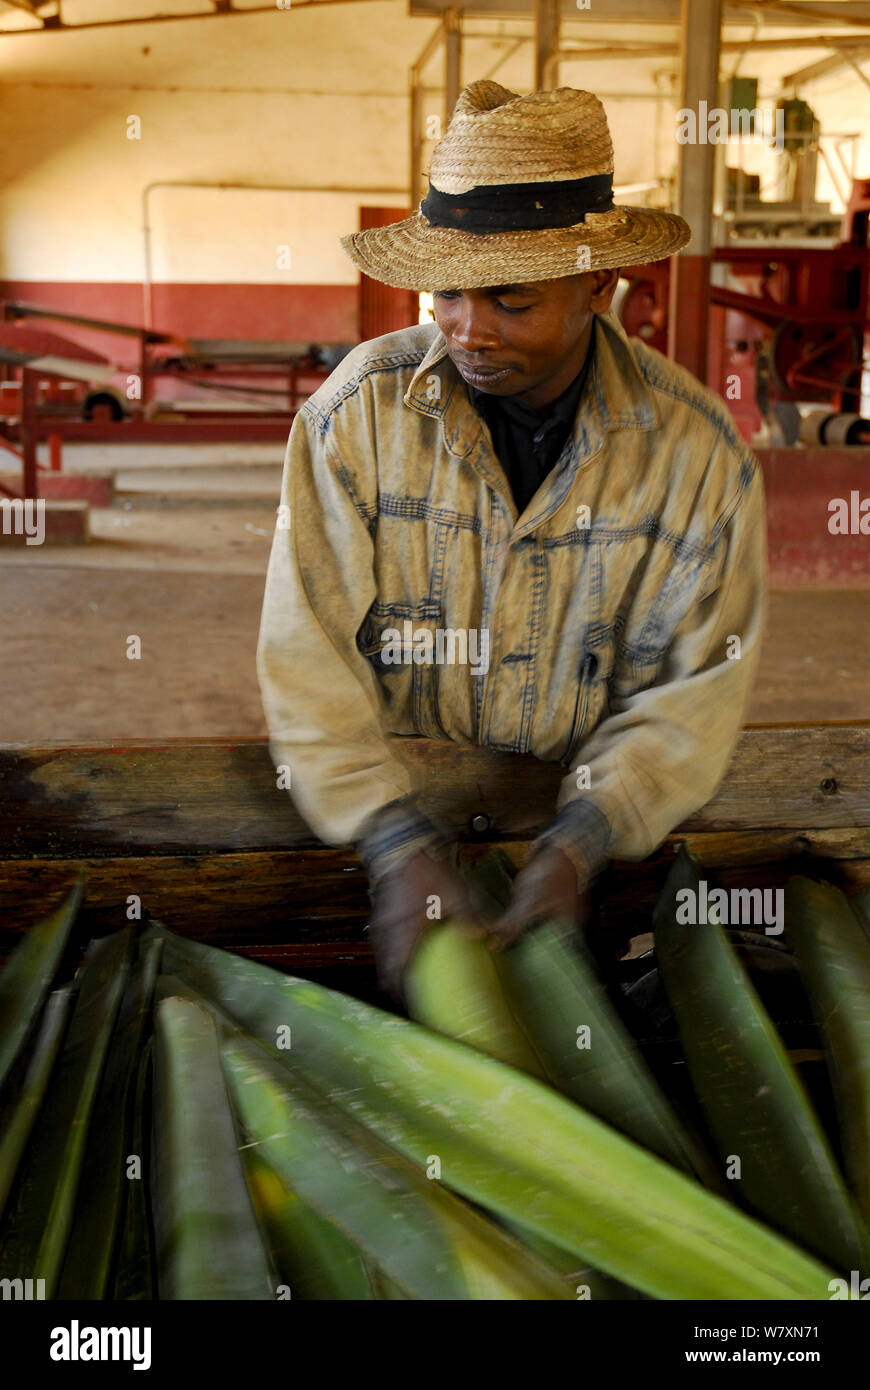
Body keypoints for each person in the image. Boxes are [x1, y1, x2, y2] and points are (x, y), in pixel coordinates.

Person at [256, 80, 768, 998]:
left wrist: (582, 840)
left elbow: (697, 688)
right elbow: (307, 654)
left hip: (579, 880)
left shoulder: (698, 460)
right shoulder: (356, 421)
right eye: (446, 294)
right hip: (388, 859)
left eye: (511, 301)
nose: (468, 331)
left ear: (598, 288)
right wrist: (394, 838)